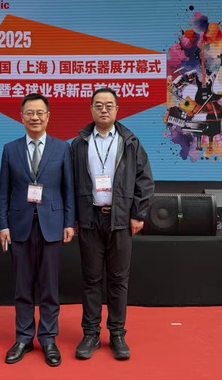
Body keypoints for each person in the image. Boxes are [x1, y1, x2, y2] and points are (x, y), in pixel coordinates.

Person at [71, 87, 154, 361]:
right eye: (98, 105)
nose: (104, 109)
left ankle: (117, 334)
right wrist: (73, 217)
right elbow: (69, 183)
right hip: (89, 218)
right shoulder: (79, 144)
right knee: (91, 279)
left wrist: (138, 214)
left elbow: (145, 180)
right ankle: (91, 334)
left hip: (120, 219)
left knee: (118, 280)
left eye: (109, 105)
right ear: (91, 109)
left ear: (117, 110)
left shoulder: (130, 142)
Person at [0, 93, 75, 367]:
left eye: (40, 112)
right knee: (23, 287)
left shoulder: (62, 148)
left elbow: (68, 189)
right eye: (29, 113)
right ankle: (24, 338)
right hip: (19, 227)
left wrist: (69, 222)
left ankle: (49, 339)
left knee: (50, 288)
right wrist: (2, 224)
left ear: (48, 117)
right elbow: (3, 191)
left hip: (52, 226)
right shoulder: (10, 149)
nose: (35, 117)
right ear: (21, 117)